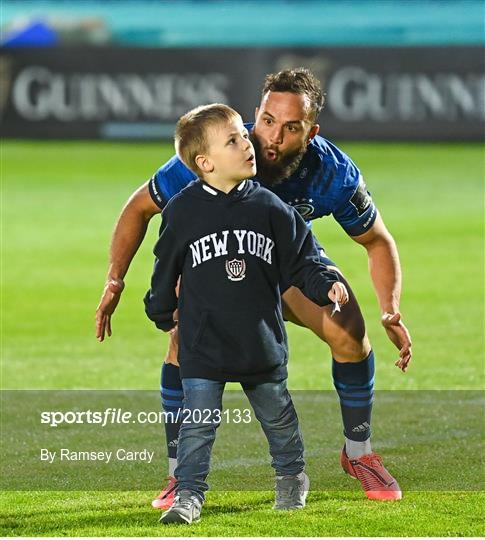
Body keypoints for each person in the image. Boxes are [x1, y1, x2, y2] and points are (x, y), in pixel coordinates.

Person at [96, 68, 411, 504]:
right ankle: (177, 474)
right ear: (255, 113)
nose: (271, 137)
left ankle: (358, 452)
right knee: (182, 340)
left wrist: (389, 308)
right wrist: (115, 280)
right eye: (265, 120)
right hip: (221, 267)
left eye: (290, 127)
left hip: (289, 265)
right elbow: (138, 209)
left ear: (311, 132)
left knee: (350, 331)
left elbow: (377, 241)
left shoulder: (332, 171)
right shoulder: (222, 147)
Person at [144, 103, 349, 524]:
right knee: (197, 425)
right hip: (204, 344)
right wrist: (163, 313)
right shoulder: (182, 212)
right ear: (205, 162)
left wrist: (325, 283)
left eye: (244, 134)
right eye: (233, 140)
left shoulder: (270, 207)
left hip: (259, 339)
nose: (248, 144)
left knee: (278, 417)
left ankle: (292, 478)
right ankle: (188, 494)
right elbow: (164, 268)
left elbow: (303, 260)